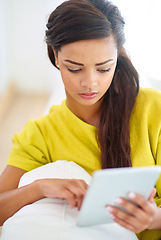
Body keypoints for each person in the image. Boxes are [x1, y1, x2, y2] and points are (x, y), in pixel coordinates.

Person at [0, 0, 161, 239]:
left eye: (104, 68)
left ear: (117, 57)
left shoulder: (153, 109)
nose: (90, 83)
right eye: (75, 68)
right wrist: (39, 188)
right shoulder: (40, 134)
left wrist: (154, 218)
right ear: (56, 56)